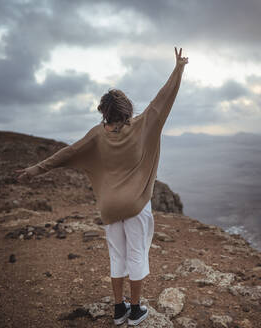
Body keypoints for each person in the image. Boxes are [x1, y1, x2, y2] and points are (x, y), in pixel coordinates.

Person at [16, 47, 188, 326]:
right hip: (135, 205)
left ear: (104, 113)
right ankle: (135, 311)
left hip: (108, 208)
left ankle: (118, 310)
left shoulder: (97, 134)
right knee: (136, 255)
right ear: (126, 110)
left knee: (117, 256)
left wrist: (35, 169)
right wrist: (178, 69)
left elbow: (68, 153)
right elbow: (163, 99)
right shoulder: (141, 125)